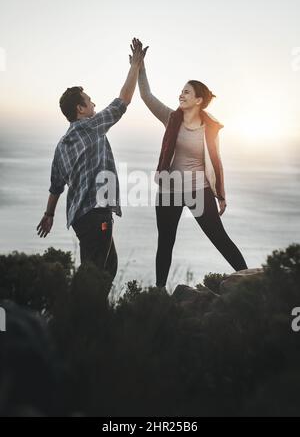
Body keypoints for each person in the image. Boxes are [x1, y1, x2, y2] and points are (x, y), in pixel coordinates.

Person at [131, 40, 248, 288]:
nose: (181, 94)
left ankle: (249, 280)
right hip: (169, 189)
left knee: (219, 238)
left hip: (199, 190)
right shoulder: (171, 118)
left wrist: (221, 195)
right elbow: (146, 95)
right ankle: (160, 292)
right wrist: (139, 66)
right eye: (181, 90)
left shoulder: (210, 128)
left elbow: (216, 162)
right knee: (166, 242)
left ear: (198, 100)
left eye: (187, 92)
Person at [37, 38, 148, 281]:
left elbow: (56, 187)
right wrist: (135, 66)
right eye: (89, 100)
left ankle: (92, 314)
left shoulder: (61, 145)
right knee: (95, 273)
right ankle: (79, 315)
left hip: (80, 217)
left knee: (107, 267)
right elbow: (123, 101)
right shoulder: (91, 127)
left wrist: (49, 215)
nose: (94, 103)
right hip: (96, 213)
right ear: (80, 109)